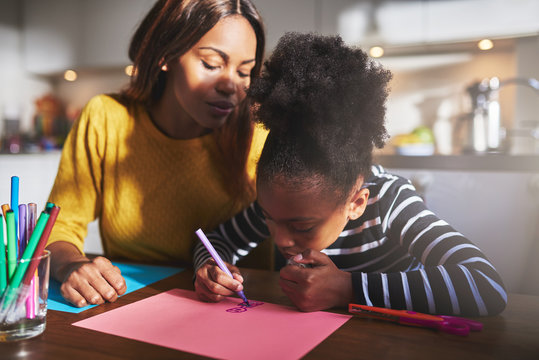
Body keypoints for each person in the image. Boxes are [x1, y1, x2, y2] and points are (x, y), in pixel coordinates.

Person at [193, 32, 507, 316]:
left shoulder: (389, 201)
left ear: (357, 202)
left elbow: (485, 285)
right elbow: (218, 239)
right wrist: (210, 269)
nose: (281, 239)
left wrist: (347, 288)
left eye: (302, 226)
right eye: (269, 219)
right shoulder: (283, 205)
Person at [45, 0, 267, 308]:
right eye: (212, 64)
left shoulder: (260, 133)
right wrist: (70, 265)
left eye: (246, 71)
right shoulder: (106, 118)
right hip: (130, 305)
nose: (231, 85)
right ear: (166, 55)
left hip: (242, 309)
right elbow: (59, 224)